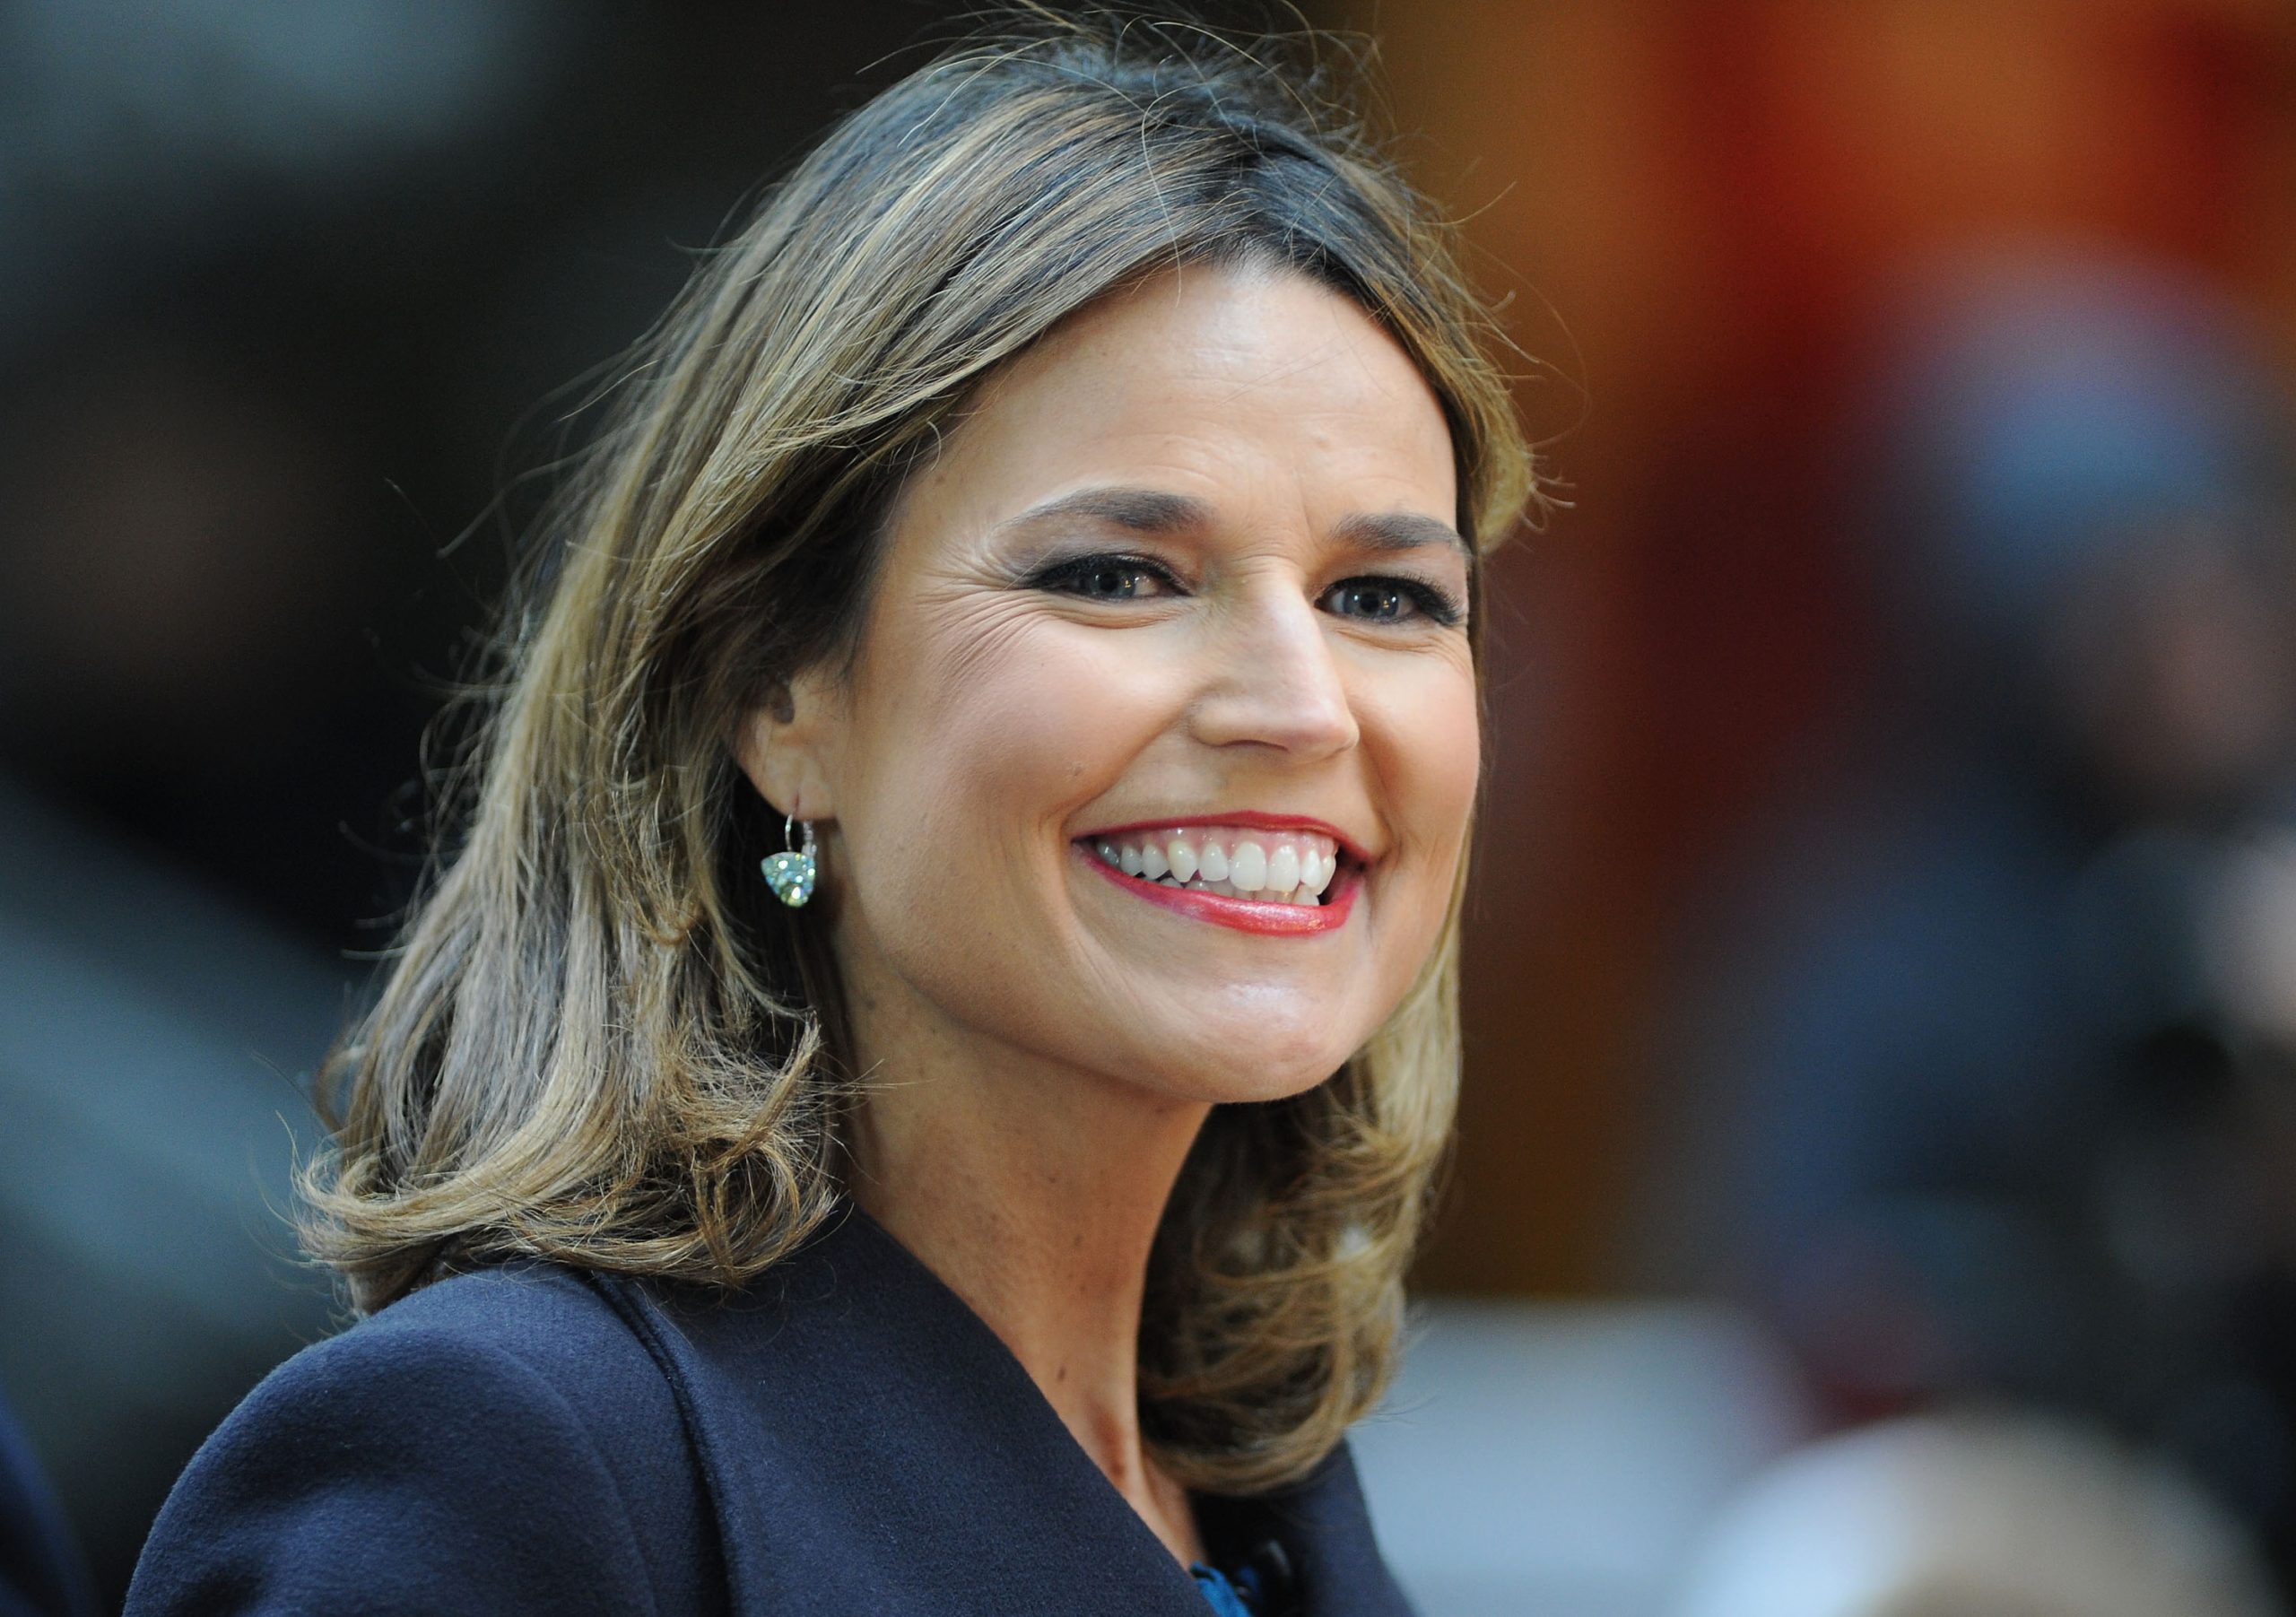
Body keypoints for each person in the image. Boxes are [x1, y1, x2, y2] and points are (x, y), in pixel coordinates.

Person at [126, 12, 1537, 1615]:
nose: (1301, 705)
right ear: (775, 693)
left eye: (1384, 596)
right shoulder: (505, 1467)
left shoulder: (1261, 1496)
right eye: (1119, 575)